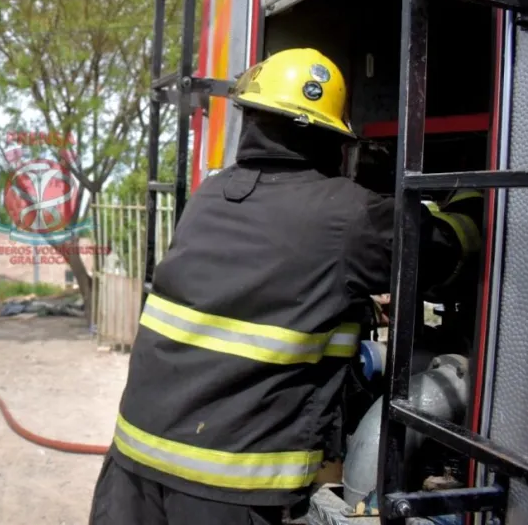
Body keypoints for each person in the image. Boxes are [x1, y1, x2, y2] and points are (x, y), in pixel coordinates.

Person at [88, 48, 479, 525]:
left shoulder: (207, 196)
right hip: (227, 491)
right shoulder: (349, 215)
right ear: (332, 139)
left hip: (130, 469)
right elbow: (448, 250)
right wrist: (472, 191)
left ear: (251, 119)